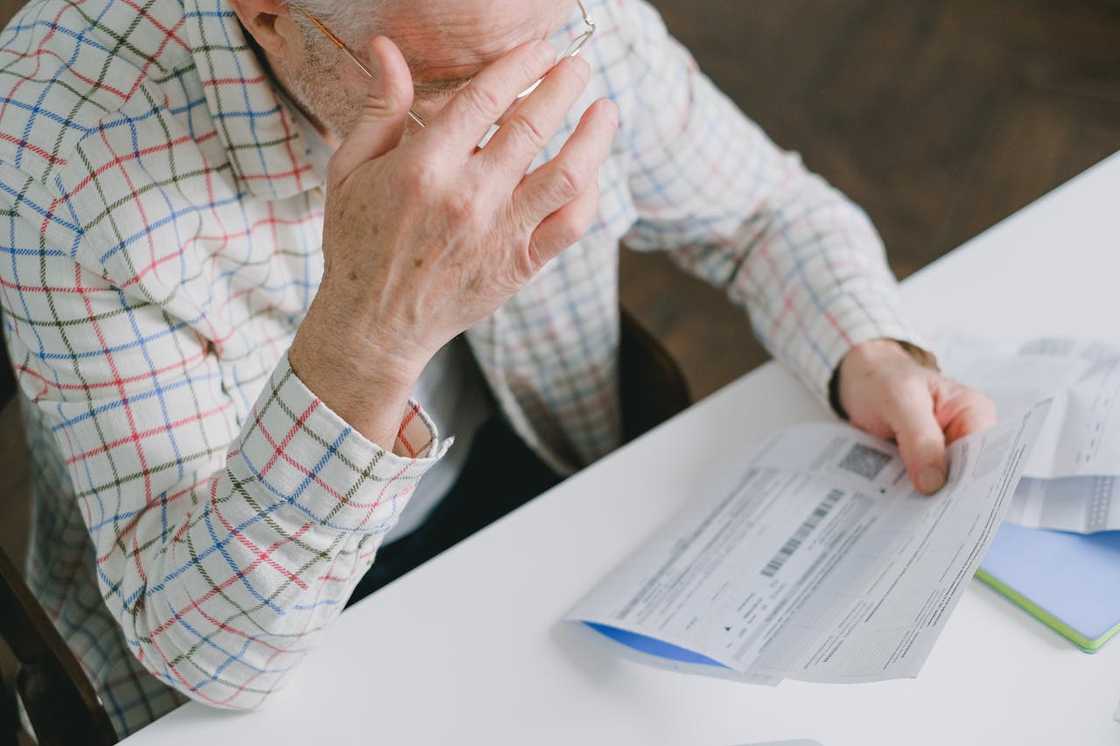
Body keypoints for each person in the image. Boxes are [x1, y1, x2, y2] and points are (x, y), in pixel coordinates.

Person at [0, 0, 995, 736]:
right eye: (459, 90)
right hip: (228, 651)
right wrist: (371, 328)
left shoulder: (543, 22)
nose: (525, 116)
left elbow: (767, 212)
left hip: (531, 488)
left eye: (543, 61)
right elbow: (208, 651)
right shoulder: (63, 149)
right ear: (271, 18)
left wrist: (867, 349)